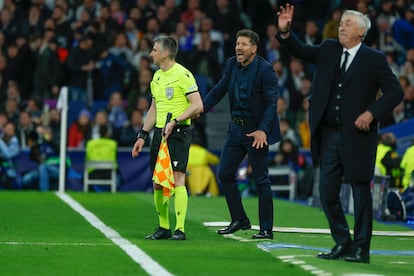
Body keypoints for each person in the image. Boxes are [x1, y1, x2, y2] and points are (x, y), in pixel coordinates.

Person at [276, 4, 404, 263]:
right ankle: (343, 242)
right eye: (342, 22)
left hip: (358, 137)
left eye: (347, 23)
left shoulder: (374, 59)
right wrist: (287, 32)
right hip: (329, 135)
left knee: (360, 191)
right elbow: (300, 51)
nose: (342, 26)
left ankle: (361, 249)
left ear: (361, 32)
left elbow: (395, 93)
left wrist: (371, 113)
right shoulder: (328, 49)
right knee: (326, 192)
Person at [203, 29, 280, 239]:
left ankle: (266, 229)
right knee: (225, 173)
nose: (239, 47)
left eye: (244, 44)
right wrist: (200, 108)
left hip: (256, 132)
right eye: (238, 43)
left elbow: (272, 103)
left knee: (261, 179)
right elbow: (219, 90)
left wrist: (263, 130)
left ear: (253, 49)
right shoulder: (231, 64)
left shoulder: (265, 70)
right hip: (236, 130)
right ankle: (240, 219)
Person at [131, 36, 203, 241]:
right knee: (157, 181)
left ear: (165, 53)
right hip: (159, 133)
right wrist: (142, 135)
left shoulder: (183, 75)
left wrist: (176, 121)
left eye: (154, 50)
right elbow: (154, 108)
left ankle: (180, 229)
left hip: (178, 132)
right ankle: (163, 227)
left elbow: (198, 105)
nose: (151, 53)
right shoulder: (157, 77)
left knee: (178, 177)